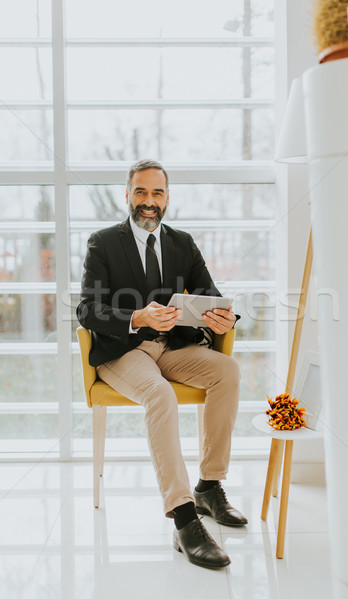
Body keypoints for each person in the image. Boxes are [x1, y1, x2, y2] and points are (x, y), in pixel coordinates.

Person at [77, 159, 247, 569]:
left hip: (171, 349)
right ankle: (184, 517)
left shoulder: (182, 243)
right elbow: (86, 310)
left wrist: (224, 317)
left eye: (157, 193)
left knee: (227, 371)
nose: (148, 202)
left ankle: (209, 485)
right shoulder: (103, 243)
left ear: (167, 198)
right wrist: (137, 317)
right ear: (127, 195)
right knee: (159, 394)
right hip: (124, 352)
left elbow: (210, 293)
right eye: (140, 192)